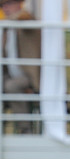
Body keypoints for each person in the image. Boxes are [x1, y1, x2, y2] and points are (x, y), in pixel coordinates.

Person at [1, 0, 41, 134]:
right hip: (11, 74)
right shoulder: (6, 28)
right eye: (2, 6)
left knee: (12, 86)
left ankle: (25, 131)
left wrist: (8, 21)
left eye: (8, 4)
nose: (5, 8)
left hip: (29, 75)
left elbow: (24, 17)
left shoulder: (26, 19)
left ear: (18, 4)